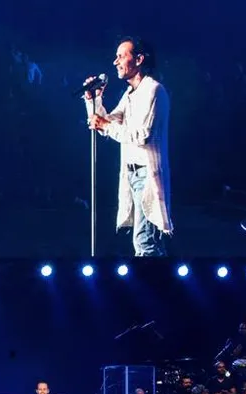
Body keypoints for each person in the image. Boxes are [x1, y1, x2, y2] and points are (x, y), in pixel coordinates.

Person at [83, 36, 172, 256]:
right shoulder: (130, 93)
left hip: (147, 176)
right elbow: (108, 123)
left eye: (121, 56)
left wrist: (104, 125)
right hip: (131, 175)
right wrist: (93, 101)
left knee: (145, 243)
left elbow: (142, 136)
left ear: (139, 59)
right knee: (145, 242)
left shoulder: (153, 91)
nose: (115, 62)